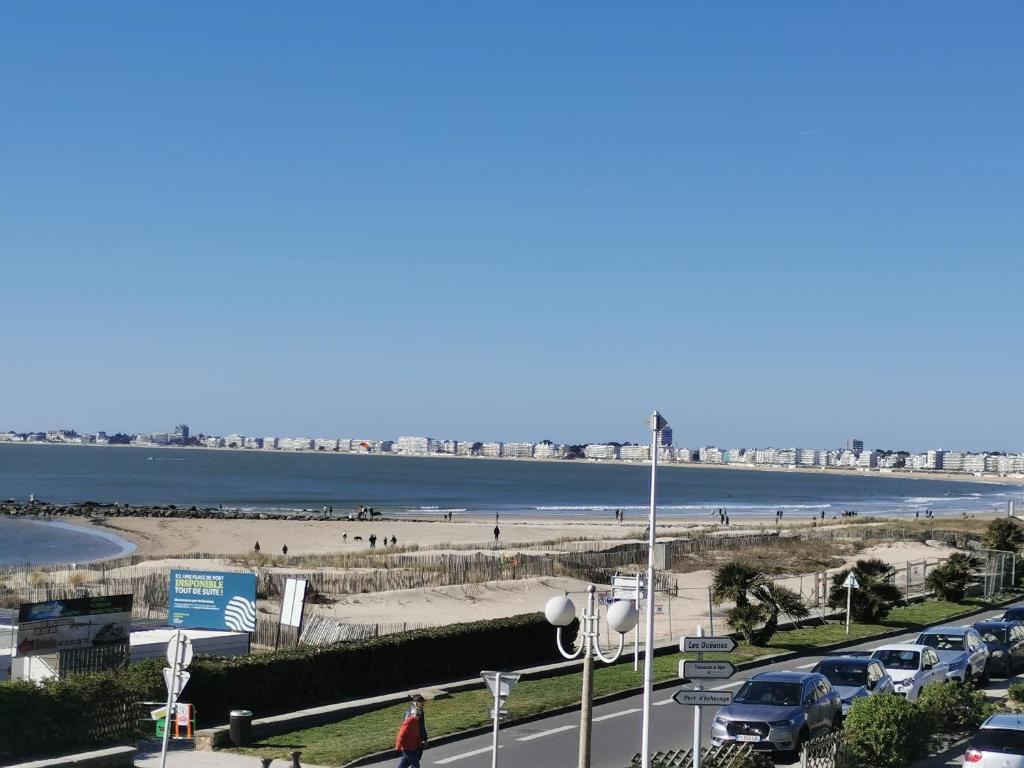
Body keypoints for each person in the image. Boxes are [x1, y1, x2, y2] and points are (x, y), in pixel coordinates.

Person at [395, 695, 428, 768]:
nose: (423, 705)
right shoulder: (411, 714)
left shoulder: (420, 711)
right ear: (415, 703)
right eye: (421, 703)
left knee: (410, 760)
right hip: (409, 744)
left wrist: (424, 739)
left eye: (423, 703)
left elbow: (421, 726)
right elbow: (402, 732)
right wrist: (398, 747)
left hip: (417, 741)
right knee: (415, 763)